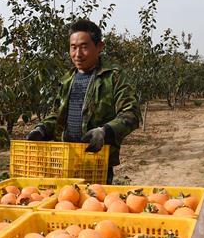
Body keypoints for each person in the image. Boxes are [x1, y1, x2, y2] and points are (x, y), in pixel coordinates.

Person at [26, 19, 141, 184]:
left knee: (93, 205)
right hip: (65, 161)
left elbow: (131, 114)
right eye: (73, 47)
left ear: (99, 47)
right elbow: (57, 114)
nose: (77, 54)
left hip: (96, 162)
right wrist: (42, 129)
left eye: (84, 47)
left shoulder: (113, 76)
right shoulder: (68, 79)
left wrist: (104, 131)